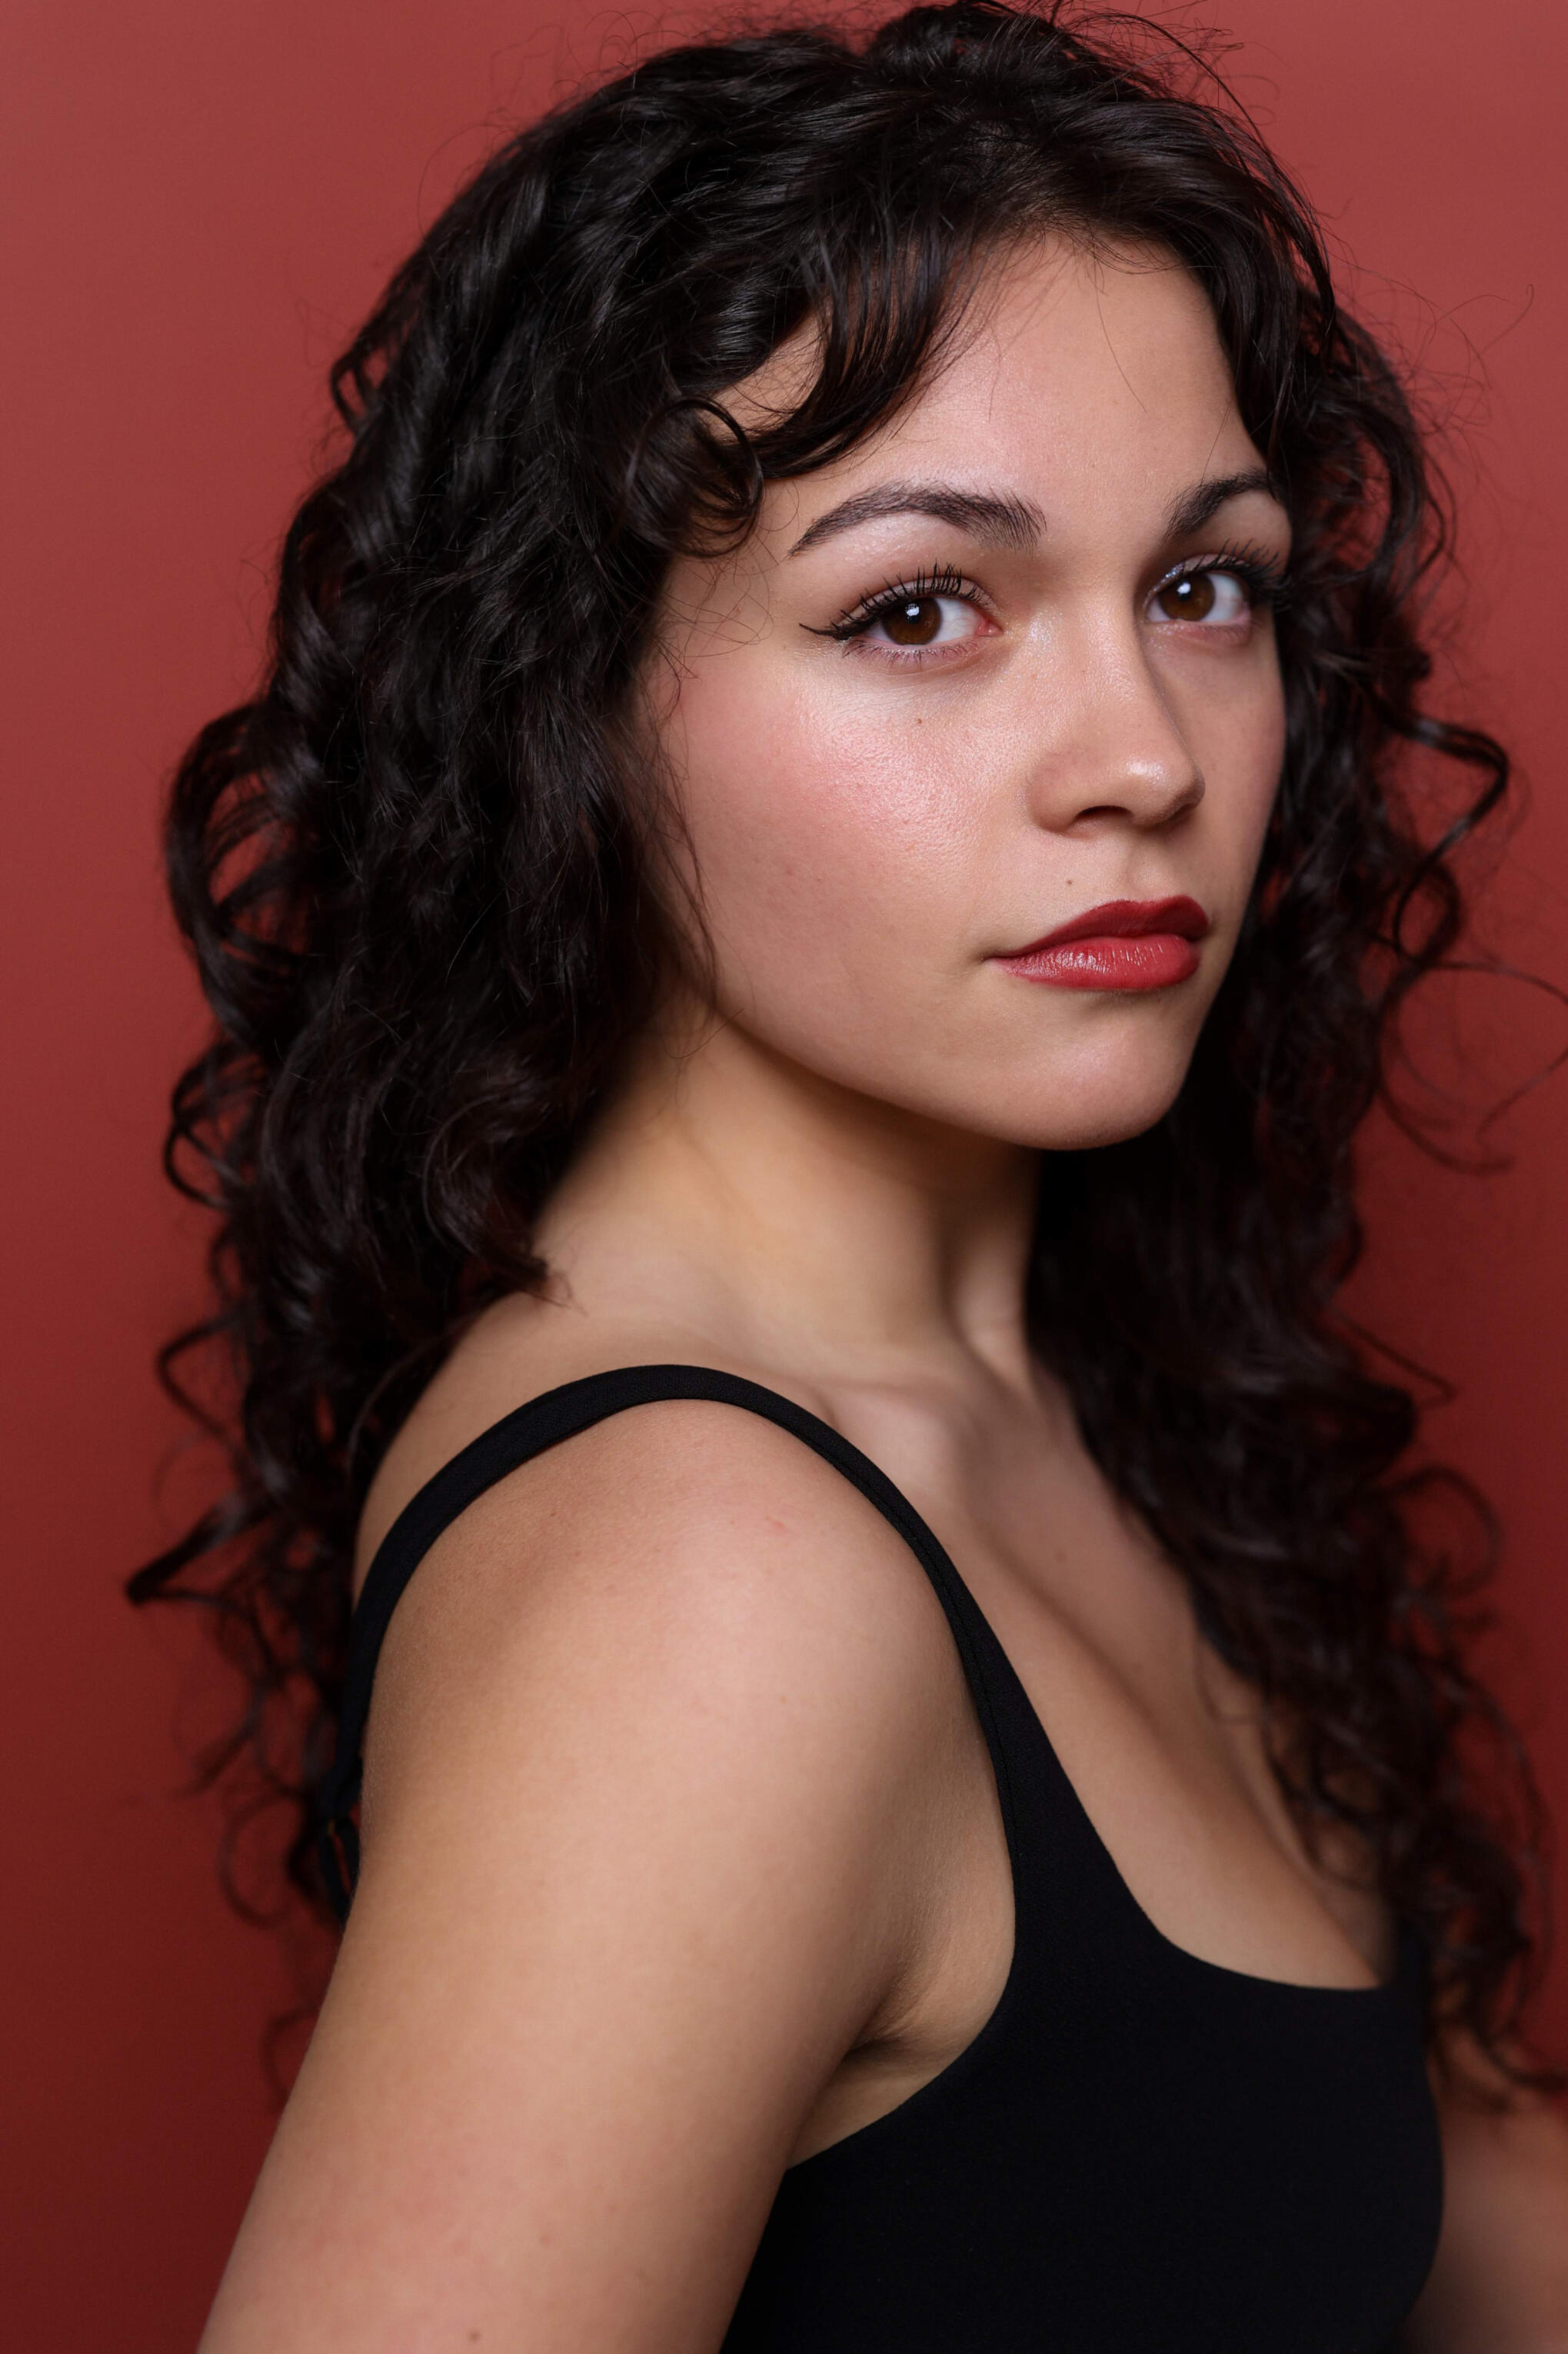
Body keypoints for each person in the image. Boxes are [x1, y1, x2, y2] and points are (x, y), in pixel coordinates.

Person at [137, 4, 1568, 2345]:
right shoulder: (706, 1575)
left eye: (1202, 588)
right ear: (568, 705)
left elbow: (1457, 2222)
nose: (1141, 757)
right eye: (919, 608)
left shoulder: (1083, 1401)